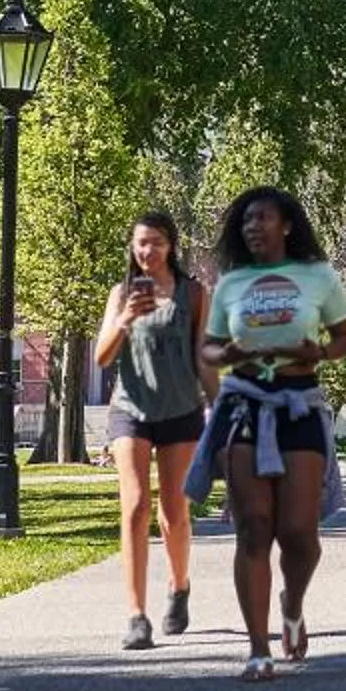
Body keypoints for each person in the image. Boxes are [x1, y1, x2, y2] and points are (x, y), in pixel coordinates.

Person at [190, 184, 346, 683]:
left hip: (299, 406)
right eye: (245, 221)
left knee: (300, 534)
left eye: (262, 218)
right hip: (245, 406)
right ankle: (257, 648)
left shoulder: (318, 277)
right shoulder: (231, 284)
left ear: (287, 225)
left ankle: (293, 603)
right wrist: (232, 356)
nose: (252, 227)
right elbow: (209, 352)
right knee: (254, 528)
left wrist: (318, 353)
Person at [93, 210, 210, 650]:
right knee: (136, 505)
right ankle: (136, 614)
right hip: (131, 410)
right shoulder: (121, 293)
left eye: (157, 242)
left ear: (172, 246)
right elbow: (103, 357)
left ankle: (179, 587)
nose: (148, 251)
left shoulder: (195, 294)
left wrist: (219, 403)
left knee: (174, 512)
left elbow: (203, 356)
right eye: (141, 242)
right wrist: (124, 319)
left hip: (181, 410)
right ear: (132, 246)